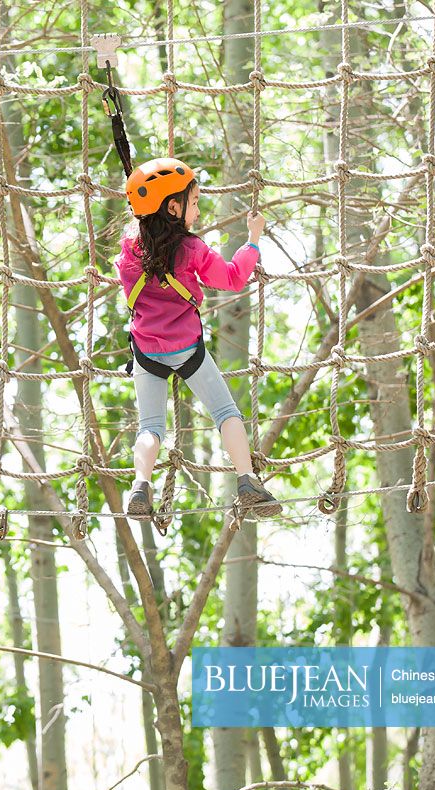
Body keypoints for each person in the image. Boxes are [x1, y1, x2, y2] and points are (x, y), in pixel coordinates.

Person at [114, 157, 282, 520]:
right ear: (173, 207)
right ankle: (247, 479)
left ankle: (140, 485)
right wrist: (252, 239)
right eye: (194, 202)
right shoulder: (192, 250)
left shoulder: (129, 251)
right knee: (225, 413)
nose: (198, 209)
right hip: (188, 349)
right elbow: (234, 278)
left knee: (150, 427)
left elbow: (128, 269)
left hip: (146, 352)